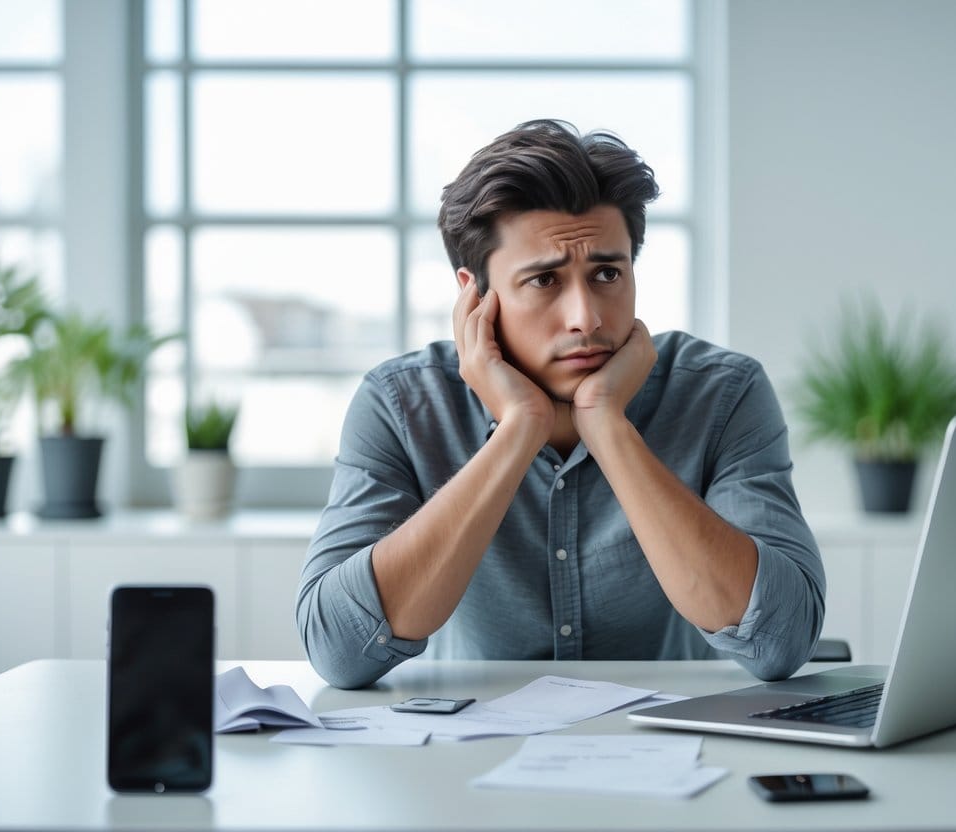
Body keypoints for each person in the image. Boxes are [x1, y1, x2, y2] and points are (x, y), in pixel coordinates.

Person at [297, 119, 824, 689]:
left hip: (664, 746)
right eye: (545, 280)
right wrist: (519, 428)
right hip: (461, 756)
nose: (587, 318)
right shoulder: (399, 404)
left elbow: (781, 642)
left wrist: (608, 424)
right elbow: (340, 654)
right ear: (474, 295)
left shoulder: (722, 393)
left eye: (606, 273)